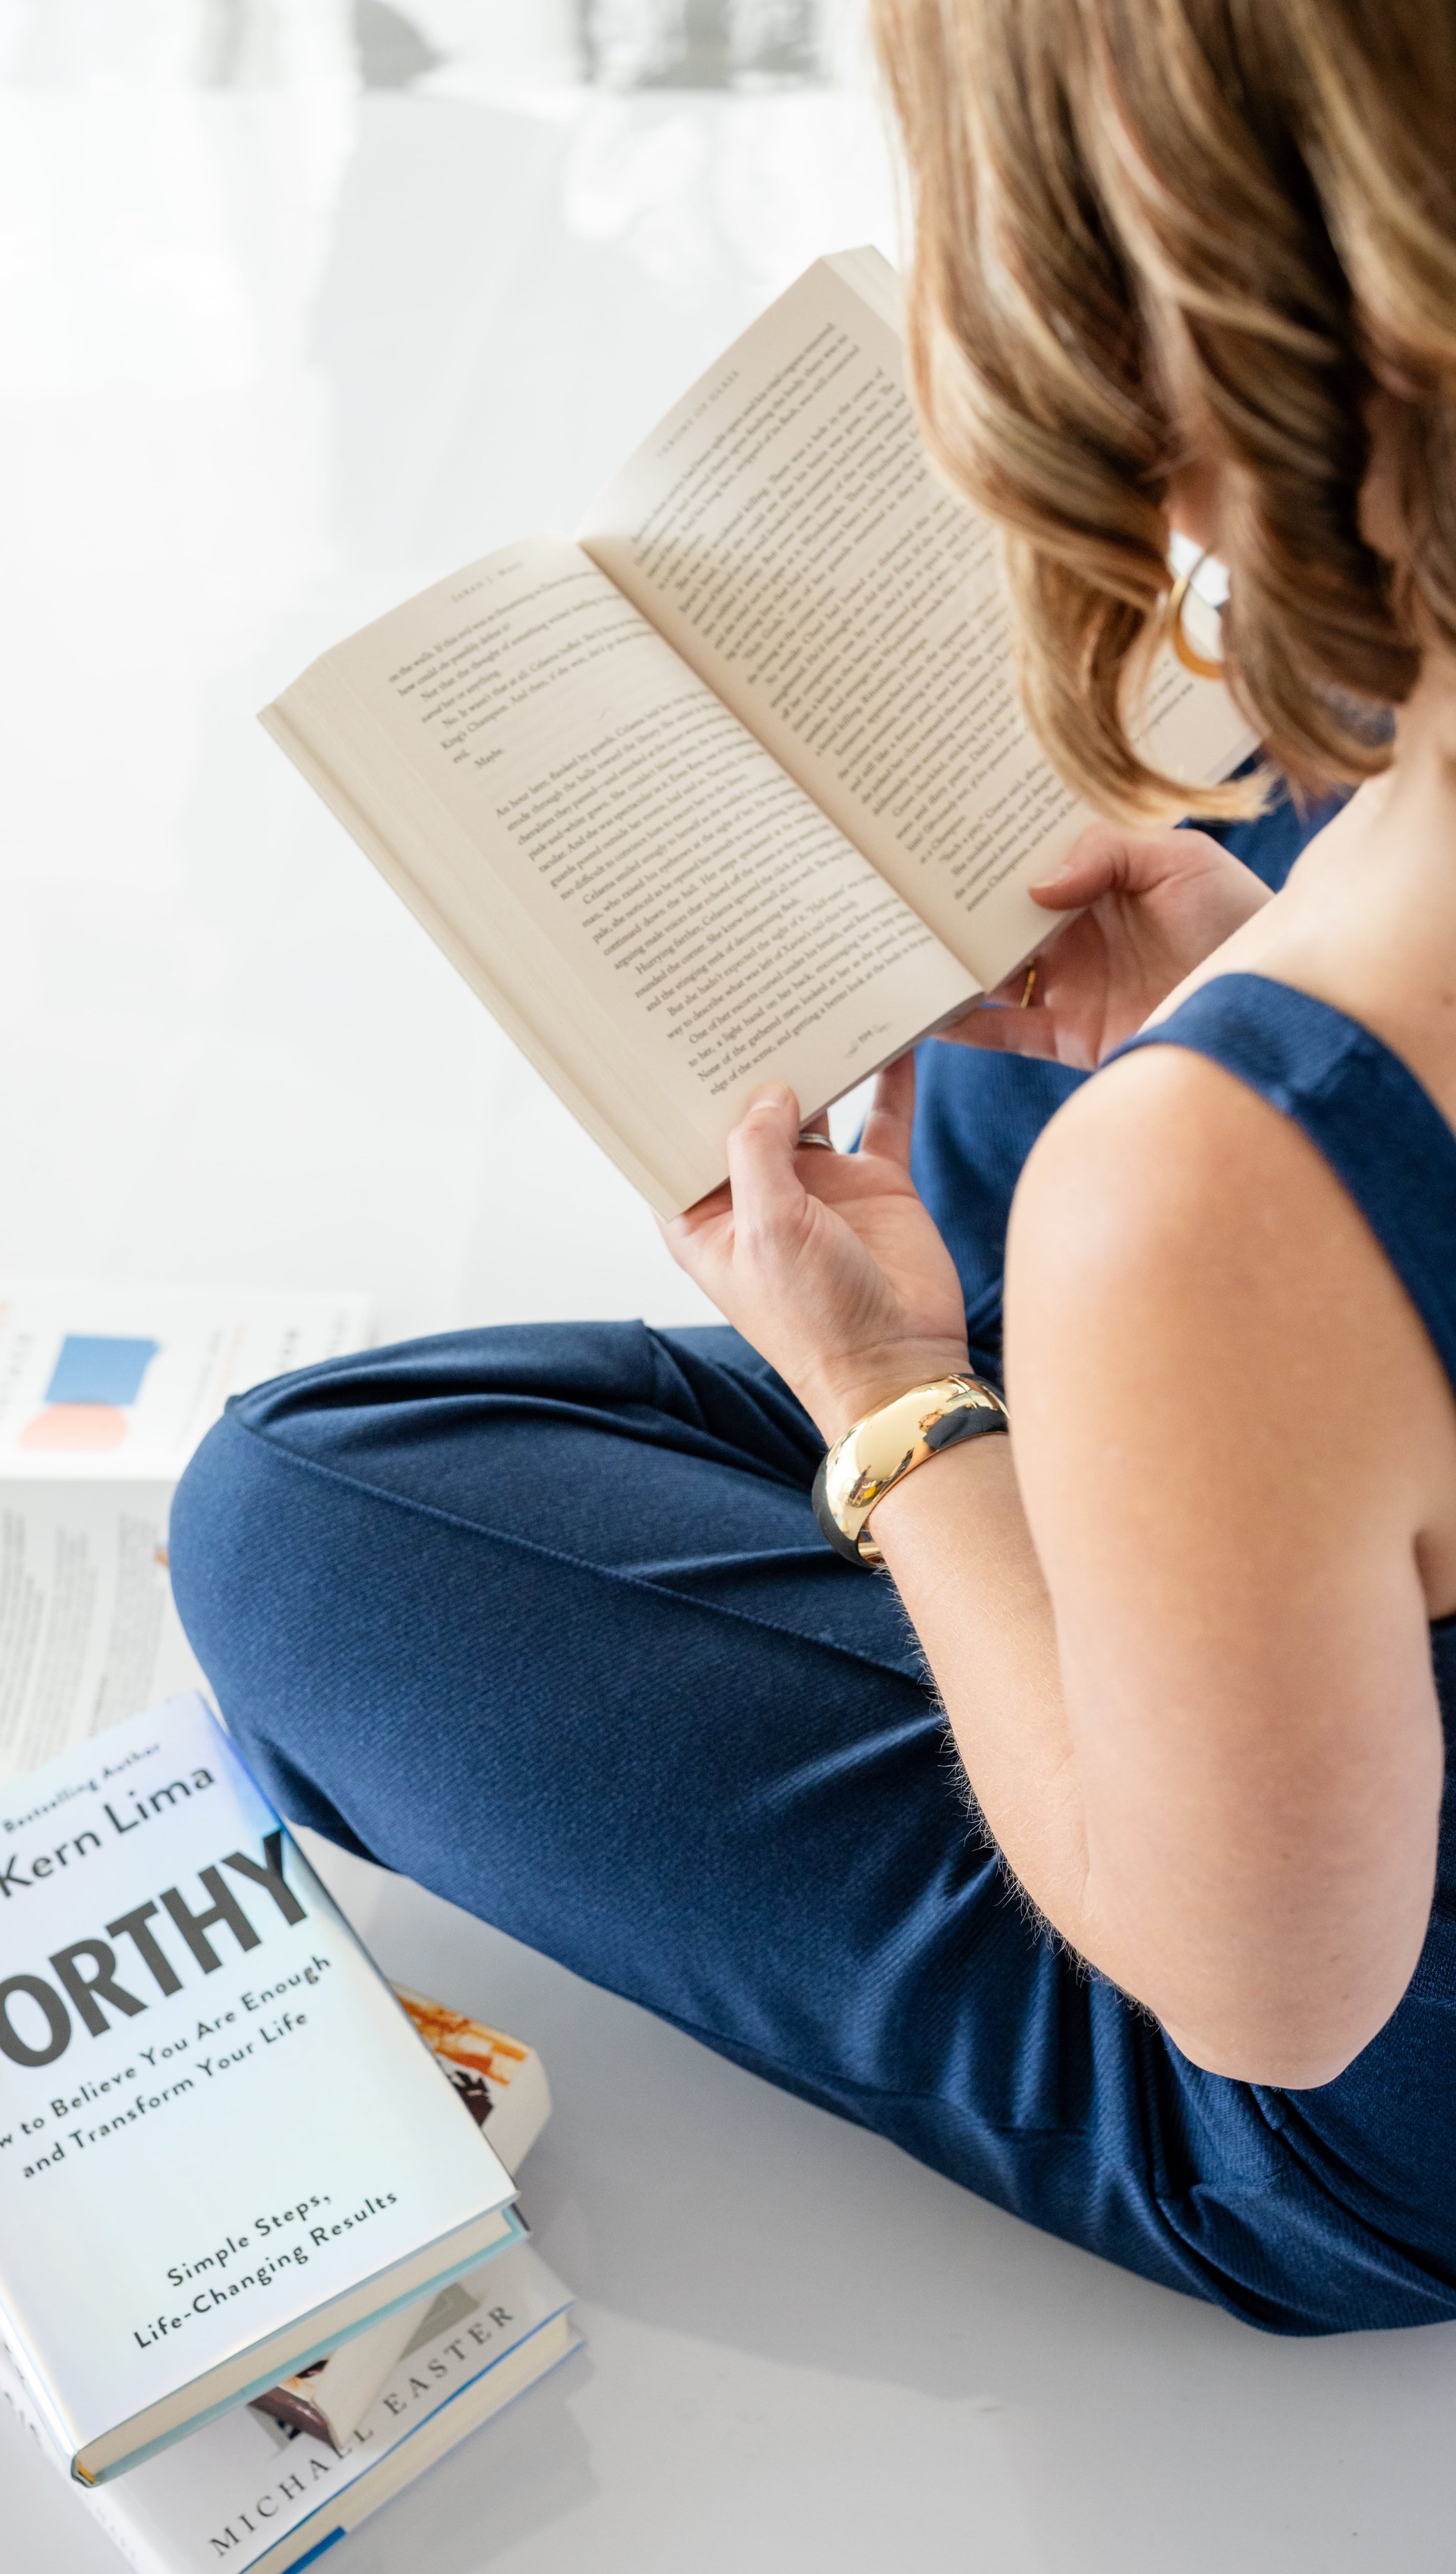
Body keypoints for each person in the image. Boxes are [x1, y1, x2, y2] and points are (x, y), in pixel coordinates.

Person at [170, 0, 1456, 2334]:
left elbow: (1265, 1996)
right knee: (1006, 1078)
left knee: (306, 1511)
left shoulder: (1215, 1185)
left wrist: (898, 1406)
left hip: (1365, 2103)